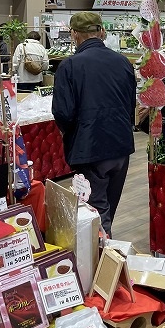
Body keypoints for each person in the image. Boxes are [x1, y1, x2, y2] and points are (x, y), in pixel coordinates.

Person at [52, 12, 136, 237]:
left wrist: (70, 133)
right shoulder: (123, 62)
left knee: (96, 213)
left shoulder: (69, 66)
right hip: (120, 146)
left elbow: (63, 112)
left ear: (74, 34)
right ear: (101, 32)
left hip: (90, 148)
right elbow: (130, 105)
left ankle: (103, 264)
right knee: (108, 206)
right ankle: (107, 255)